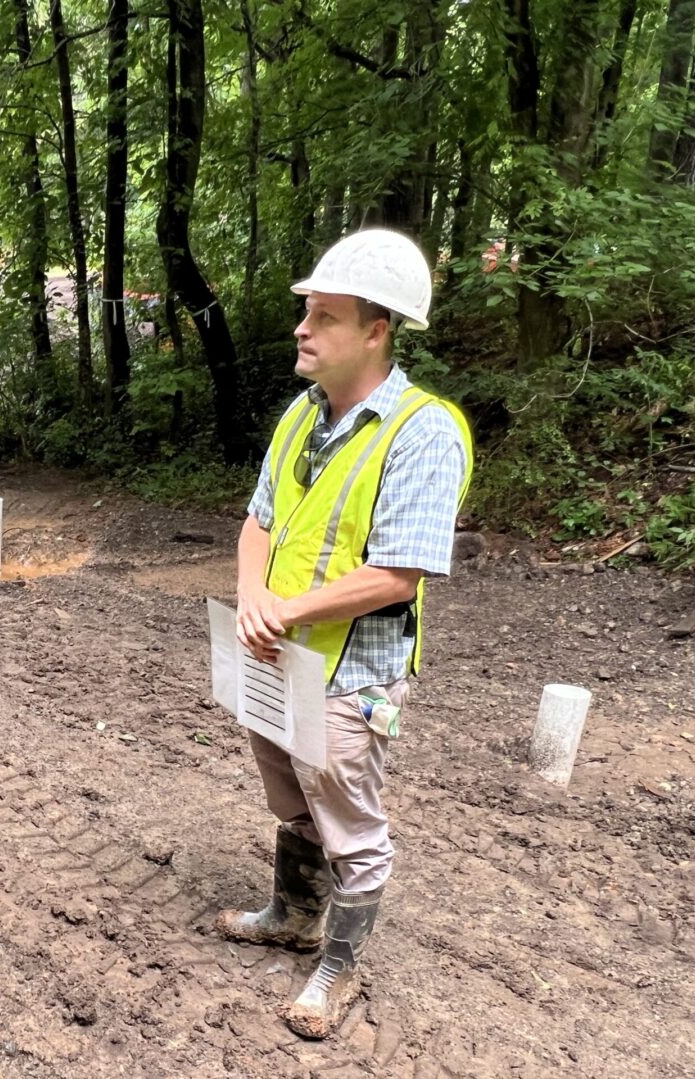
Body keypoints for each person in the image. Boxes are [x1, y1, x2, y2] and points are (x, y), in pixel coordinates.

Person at [216, 228, 473, 1038]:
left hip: (351, 672)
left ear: (376, 330)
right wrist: (253, 596)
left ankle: (338, 963)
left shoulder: (422, 430)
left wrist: (282, 611)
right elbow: (257, 521)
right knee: (291, 797)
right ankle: (293, 914)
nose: (302, 327)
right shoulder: (302, 413)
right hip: (275, 652)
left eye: (324, 315)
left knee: (348, 820)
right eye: (305, 311)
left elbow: (399, 574)